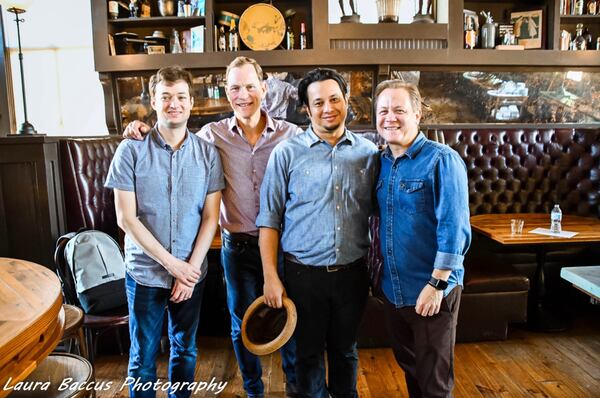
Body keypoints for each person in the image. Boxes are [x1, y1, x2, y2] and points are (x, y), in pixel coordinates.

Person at [123, 57, 301, 398]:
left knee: (288, 321)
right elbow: (172, 134)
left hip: (281, 246)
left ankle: (294, 389)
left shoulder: (291, 135)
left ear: (264, 89)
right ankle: (253, 391)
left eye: (250, 86)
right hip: (236, 247)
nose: (243, 94)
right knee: (241, 326)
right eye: (235, 87)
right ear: (226, 92)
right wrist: (139, 127)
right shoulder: (210, 136)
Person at [257, 68, 379, 398]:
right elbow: (269, 220)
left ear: (346, 101)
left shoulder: (369, 154)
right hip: (301, 276)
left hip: (353, 274)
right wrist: (271, 277)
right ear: (307, 109)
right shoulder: (286, 153)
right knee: (306, 357)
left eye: (335, 99)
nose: (328, 108)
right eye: (319, 102)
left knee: (346, 352)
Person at [105, 65, 224, 398]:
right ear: (153, 102)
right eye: (166, 96)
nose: (175, 103)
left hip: (191, 273)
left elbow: (211, 217)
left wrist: (190, 271)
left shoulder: (208, 154)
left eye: (181, 96)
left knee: (185, 350)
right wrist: (174, 266)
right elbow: (126, 219)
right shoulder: (130, 150)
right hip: (144, 274)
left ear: (191, 103)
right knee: (142, 359)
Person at [373, 80, 471, 398]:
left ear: (418, 113)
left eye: (399, 109)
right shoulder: (380, 162)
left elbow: (454, 229)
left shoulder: (442, 160)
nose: (390, 117)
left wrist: (437, 284)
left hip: (431, 290)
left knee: (435, 383)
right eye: (383, 110)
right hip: (394, 290)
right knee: (412, 371)